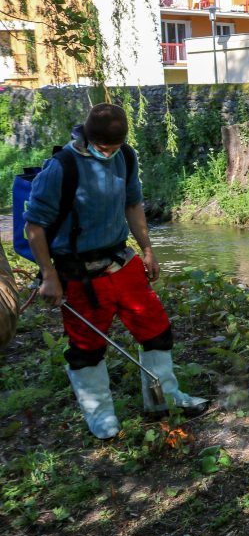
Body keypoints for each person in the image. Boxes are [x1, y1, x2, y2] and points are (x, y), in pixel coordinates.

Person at [25, 104, 205, 439]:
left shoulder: (126, 156)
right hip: (78, 273)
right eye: (103, 148)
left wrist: (148, 250)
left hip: (121, 263)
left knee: (156, 329)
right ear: (88, 137)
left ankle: (163, 398)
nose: (108, 153)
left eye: (115, 147)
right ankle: (101, 417)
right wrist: (49, 275)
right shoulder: (61, 167)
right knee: (87, 347)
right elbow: (34, 227)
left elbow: (133, 204)